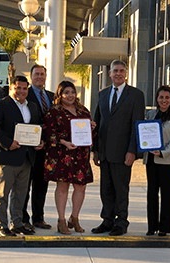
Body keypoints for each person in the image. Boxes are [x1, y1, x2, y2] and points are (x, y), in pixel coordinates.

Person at [91, 60, 145, 236]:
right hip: (105, 152)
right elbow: (97, 122)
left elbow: (137, 124)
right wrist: (96, 150)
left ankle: (121, 222)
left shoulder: (136, 95)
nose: (118, 74)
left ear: (126, 73)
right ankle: (107, 220)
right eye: (115, 71)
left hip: (123, 153)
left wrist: (132, 151)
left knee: (121, 190)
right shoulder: (102, 94)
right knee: (105, 189)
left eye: (122, 71)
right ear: (109, 73)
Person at [0, 75, 43, 237]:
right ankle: (1, 225)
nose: (21, 91)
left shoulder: (32, 106)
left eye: (24, 88)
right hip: (6, 156)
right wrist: (8, 143)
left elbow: (38, 126)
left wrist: (41, 141)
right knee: (2, 194)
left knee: (20, 194)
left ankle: (17, 223)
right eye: (18, 88)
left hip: (26, 157)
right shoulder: (0, 104)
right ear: (11, 88)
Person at [43, 81, 96, 235]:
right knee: (63, 187)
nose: (70, 95)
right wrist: (63, 141)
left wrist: (92, 128)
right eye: (66, 92)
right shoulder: (53, 112)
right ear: (60, 95)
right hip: (62, 154)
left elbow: (89, 135)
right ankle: (61, 220)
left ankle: (75, 218)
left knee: (81, 187)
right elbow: (48, 133)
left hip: (80, 155)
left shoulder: (83, 111)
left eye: (72, 92)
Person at [143, 85, 170, 236]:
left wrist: (162, 152)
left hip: (168, 161)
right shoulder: (151, 113)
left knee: (166, 195)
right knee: (151, 194)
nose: (164, 100)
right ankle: (151, 226)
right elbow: (145, 133)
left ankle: (164, 228)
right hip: (151, 159)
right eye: (161, 97)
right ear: (157, 99)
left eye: (167, 97)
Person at [22, 65, 54, 231]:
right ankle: (23, 218)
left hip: (46, 150)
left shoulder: (52, 96)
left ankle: (38, 218)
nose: (40, 77)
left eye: (42, 74)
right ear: (31, 76)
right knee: (25, 186)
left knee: (41, 186)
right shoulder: (25, 94)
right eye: (37, 74)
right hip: (29, 149)